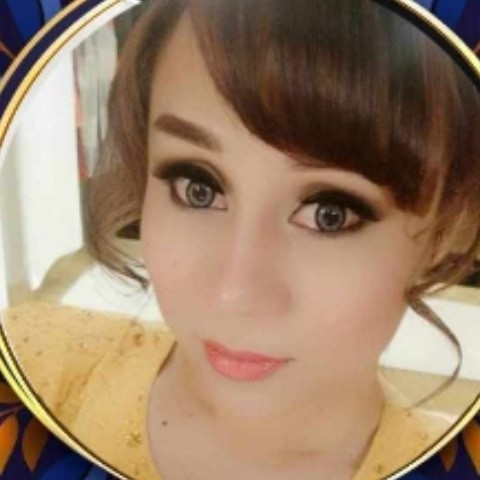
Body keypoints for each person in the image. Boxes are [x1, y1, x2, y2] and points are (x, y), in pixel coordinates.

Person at [4, 0, 480, 479]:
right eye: (198, 187)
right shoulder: (33, 371)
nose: (234, 294)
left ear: (449, 229)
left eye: (329, 214)